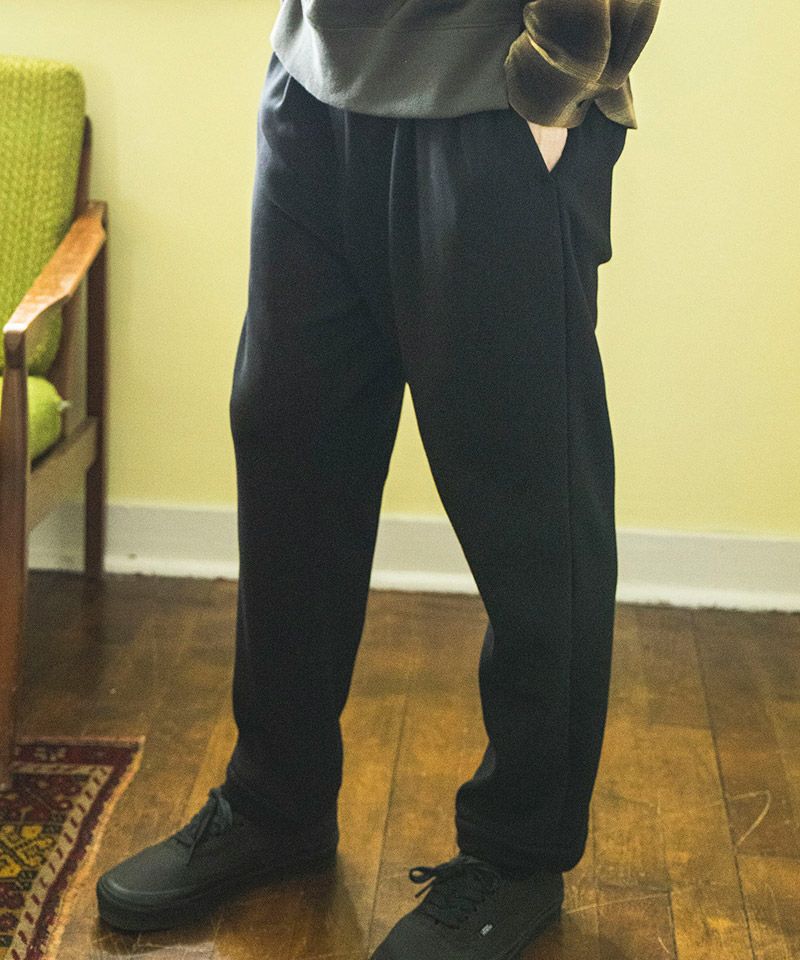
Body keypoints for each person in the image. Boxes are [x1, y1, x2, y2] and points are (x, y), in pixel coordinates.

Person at [96, 1, 661, 956]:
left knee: (531, 501)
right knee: (290, 458)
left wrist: (554, 85)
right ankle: (276, 801)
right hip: (313, 89)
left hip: (490, 106)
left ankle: (518, 854)